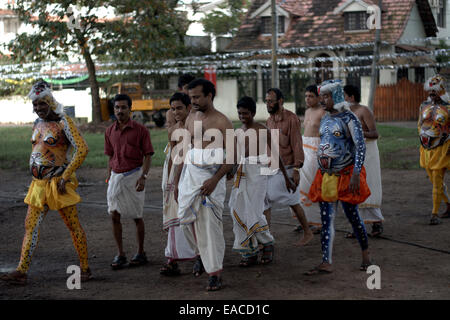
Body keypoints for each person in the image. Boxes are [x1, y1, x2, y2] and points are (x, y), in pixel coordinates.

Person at [0, 80, 91, 285]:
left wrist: (66, 176)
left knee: (73, 225)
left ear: (50, 101)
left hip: (59, 184)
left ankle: (85, 268)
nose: (38, 108)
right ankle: (21, 271)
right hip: (39, 185)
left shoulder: (63, 122)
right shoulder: (37, 123)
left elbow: (82, 149)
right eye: (35, 105)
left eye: (42, 104)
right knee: (30, 227)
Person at [306, 79, 372, 275]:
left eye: (326, 96)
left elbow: (360, 146)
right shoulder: (325, 118)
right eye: (322, 96)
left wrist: (356, 173)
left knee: (353, 217)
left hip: (346, 175)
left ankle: (366, 256)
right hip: (326, 176)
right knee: (326, 220)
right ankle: (326, 261)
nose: (322, 100)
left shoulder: (350, 119)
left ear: (335, 96)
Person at [174, 78, 233, 291]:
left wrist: (215, 180)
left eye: (197, 96)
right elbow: (185, 150)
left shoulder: (222, 121)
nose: (194, 101)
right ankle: (200, 253)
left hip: (212, 180)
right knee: (184, 219)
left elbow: (232, 157)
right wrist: (177, 181)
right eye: (191, 97)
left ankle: (215, 272)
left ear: (210, 95)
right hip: (190, 176)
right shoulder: (191, 118)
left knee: (210, 228)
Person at [228, 96, 296, 267]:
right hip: (241, 176)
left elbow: (276, 156)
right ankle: (250, 251)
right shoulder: (237, 132)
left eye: (245, 113)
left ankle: (268, 244)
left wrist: (287, 179)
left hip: (258, 175)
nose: (242, 116)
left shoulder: (262, 130)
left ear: (253, 112)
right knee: (238, 210)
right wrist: (229, 171)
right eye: (240, 113)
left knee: (256, 211)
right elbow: (235, 157)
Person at [105, 94, 154, 269]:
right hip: (115, 178)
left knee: (136, 215)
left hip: (134, 176)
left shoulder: (141, 130)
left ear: (130, 109)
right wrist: (109, 177)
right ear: (114, 109)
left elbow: (148, 155)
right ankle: (121, 254)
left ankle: (141, 252)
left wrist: (144, 177)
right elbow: (110, 155)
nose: (120, 111)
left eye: (123, 107)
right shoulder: (109, 131)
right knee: (114, 215)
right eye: (117, 107)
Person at [264, 88, 314, 247]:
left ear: (280, 101)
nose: (268, 104)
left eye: (271, 101)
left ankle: (308, 232)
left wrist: (296, 170)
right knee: (264, 201)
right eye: (266, 101)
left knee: (293, 201)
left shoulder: (292, 119)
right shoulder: (269, 120)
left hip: (288, 166)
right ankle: (266, 237)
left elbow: (297, 145)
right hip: (269, 165)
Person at [160, 92, 196, 276]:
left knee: (194, 215)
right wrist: (169, 182)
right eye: (173, 109)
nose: (175, 112)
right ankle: (172, 259)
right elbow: (173, 156)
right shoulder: (172, 130)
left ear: (189, 107)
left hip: (192, 174)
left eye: (179, 108)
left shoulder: (195, 128)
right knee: (175, 214)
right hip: (176, 176)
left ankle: (200, 257)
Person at [343, 84, 384, 237]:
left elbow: (374, 133)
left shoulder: (364, 110)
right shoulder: (345, 113)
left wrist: (358, 132)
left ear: (351, 97)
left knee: (369, 184)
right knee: (353, 188)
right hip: (352, 154)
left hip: (368, 153)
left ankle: (376, 224)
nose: (343, 99)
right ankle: (357, 227)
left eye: (344, 96)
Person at [418, 75, 450, 225]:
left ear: (441, 91)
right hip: (426, 149)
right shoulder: (423, 105)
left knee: (437, 180)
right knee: (433, 180)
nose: (431, 94)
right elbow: (419, 124)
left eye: (434, 91)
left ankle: (434, 213)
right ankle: (449, 204)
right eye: (430, 91)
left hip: (442, 149)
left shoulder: (449, 107)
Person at [295, 85, 325, 234]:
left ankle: (318, 222)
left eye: (311, 96)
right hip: (303, 149)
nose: (307, 99)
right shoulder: (306, 111)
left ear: (319, 97)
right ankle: (304, 221)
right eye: (306, 96)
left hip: (315, 152)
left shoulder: (323, 112)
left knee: (313, 185)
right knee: (300, 186)